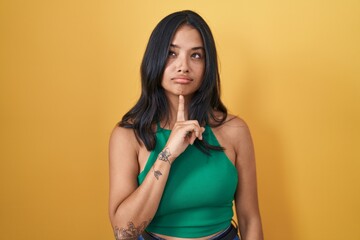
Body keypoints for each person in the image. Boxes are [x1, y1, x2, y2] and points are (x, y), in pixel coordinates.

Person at [108, 10, 263, 240]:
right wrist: (168, 154)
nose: (183, 66)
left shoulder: (235, 130)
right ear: (155, 58)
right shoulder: (128, 136)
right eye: (171, 53)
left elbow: (250, 220)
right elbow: (124, 233)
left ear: (207, 66)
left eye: (196, 56)